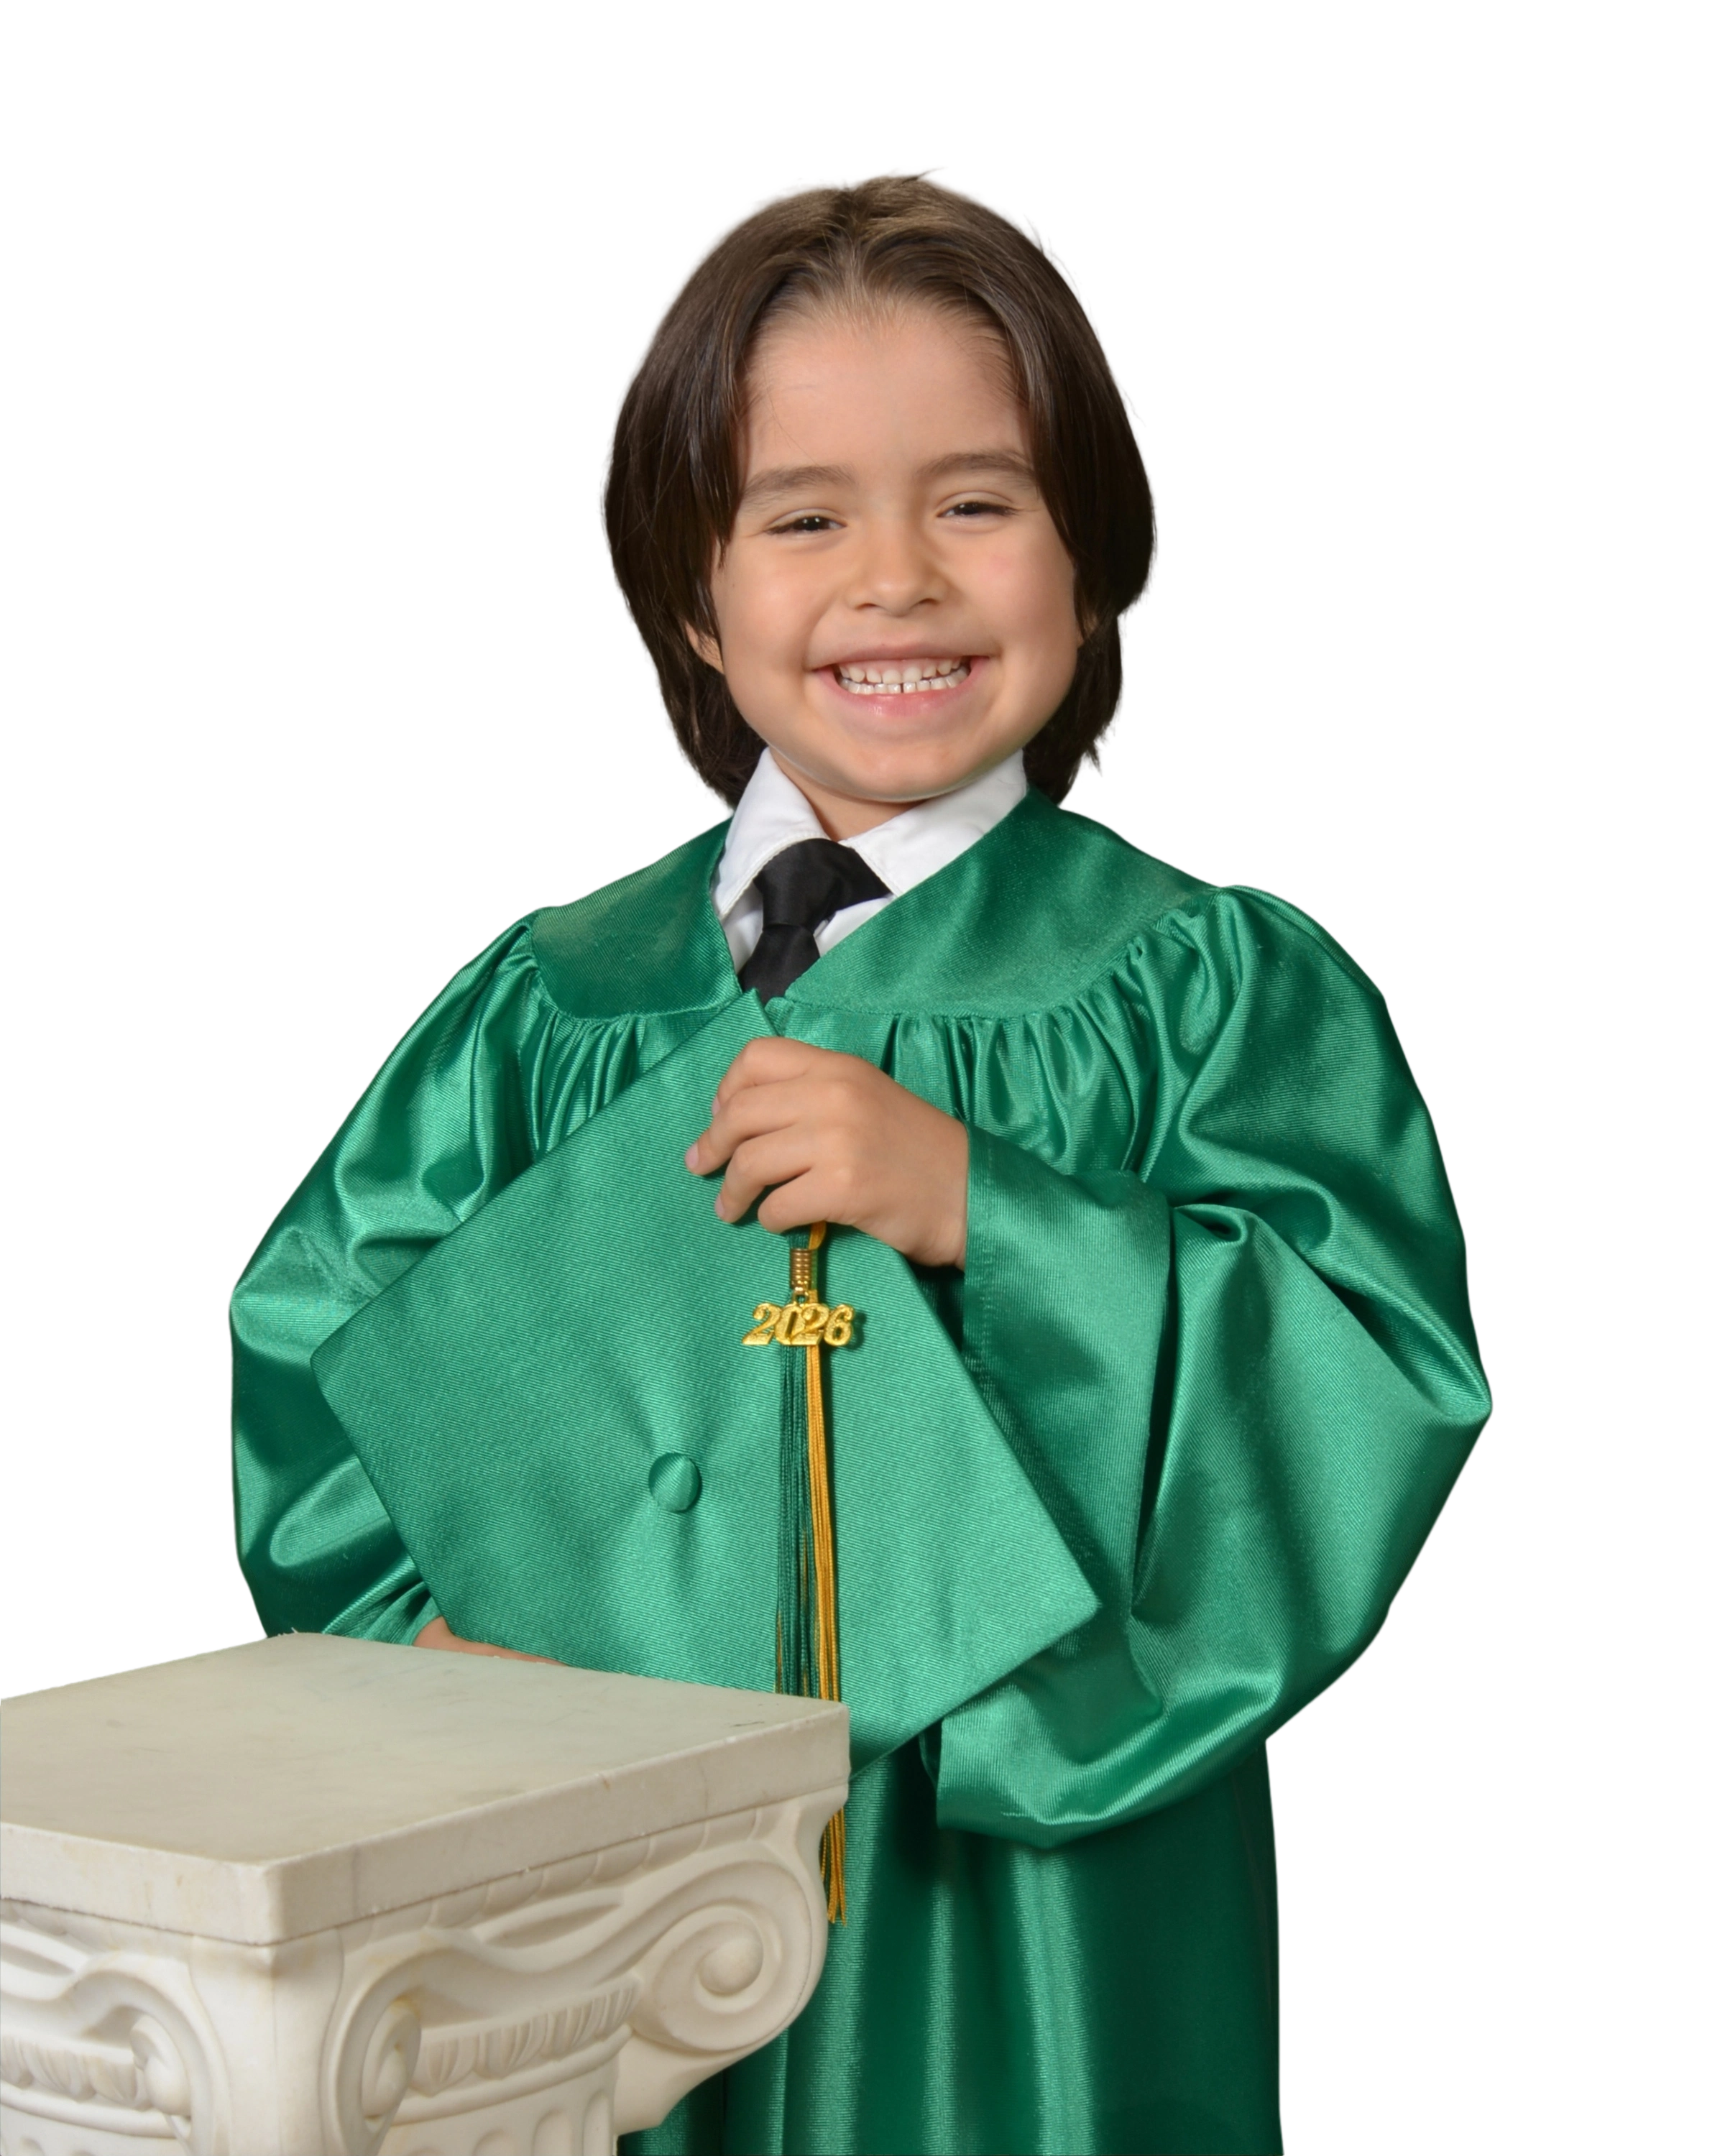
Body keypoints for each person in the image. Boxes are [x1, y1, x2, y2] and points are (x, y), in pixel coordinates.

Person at [226, 167, 1494, 2156]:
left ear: (1095, 556)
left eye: (978, 503)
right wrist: (422, 1652)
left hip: (1028, 1906)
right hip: (601, 1893)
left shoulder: (1204, 988)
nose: (895, 581)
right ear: (693, 591)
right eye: (803, 516)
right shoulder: (551, 1006)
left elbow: (1357, 1382)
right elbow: (326, 1347)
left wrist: (995, 1212)